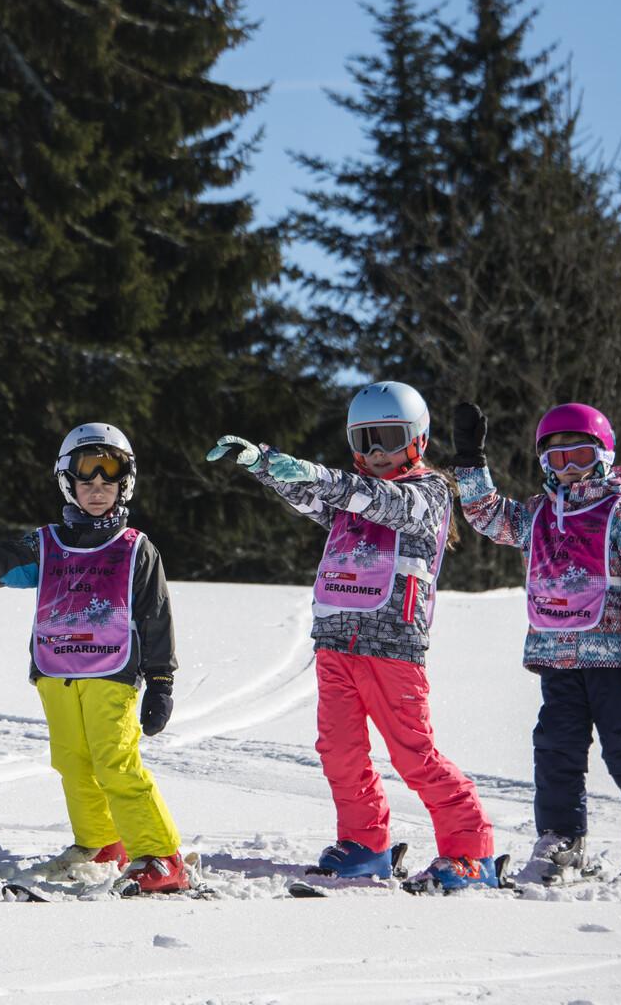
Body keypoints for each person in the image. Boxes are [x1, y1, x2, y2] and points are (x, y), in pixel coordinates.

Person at [209, 382, 497, 893]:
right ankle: (365, 845)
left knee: (413, 755)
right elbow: (311, 495)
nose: (378, 451)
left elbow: (383, 502)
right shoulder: (352, 496)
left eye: (390, 438)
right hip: (336, 643)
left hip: (393, 648)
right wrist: (263, 463)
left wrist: (315, 472)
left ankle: (471, 852)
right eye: (366, 440)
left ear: (418, 439)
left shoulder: (427, 494)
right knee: (339, 751)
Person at [449, 400, 621, 888]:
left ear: (604, 455)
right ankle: (562, 840)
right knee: (555, 750)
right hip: (557, 658)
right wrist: (471, 462)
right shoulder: (538, 514)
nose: (569, 468)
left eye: (580, 456)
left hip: (615, 660)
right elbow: (486, 515)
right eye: (557, 459)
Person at [0, 423, 191, 896]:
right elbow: (5, 563)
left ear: (126, 482)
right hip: (57, 672)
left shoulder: (135, 548)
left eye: (109, 477)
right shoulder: (46, 545)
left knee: (115, 762)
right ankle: (101, 842)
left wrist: (161, 681)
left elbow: (155, 616)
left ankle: (160, 855)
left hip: (112, 673)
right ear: (68, 482)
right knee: (72, 761)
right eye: (87, 477)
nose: (98, 488)